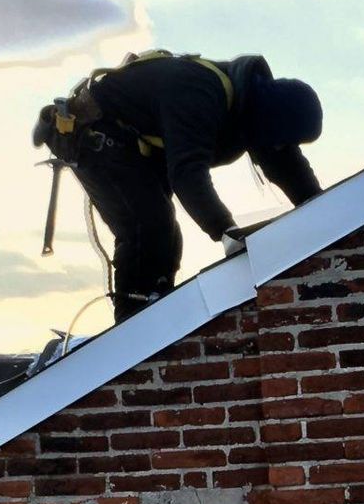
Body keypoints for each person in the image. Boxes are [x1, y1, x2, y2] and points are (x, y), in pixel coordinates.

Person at [35, 52, 324, 323]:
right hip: (97, 135)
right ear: (269, 121)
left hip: (136, 144)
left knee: (167, 239)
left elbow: (288, 168)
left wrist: (323, 210)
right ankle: (133, 329)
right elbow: (186, 174)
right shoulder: (199, 94)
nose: (278, 147)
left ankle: (155, 310)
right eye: (279, 140)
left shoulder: (257, 110)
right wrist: (225, 230)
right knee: (149, 226)